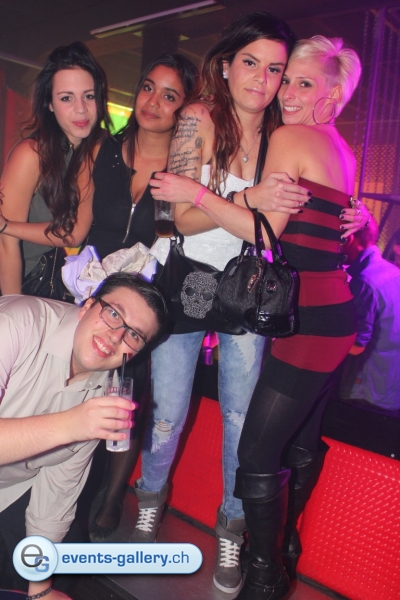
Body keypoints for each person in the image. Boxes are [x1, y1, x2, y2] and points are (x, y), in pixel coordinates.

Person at [150, 31, 364, 599]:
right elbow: (332, 230)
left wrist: (196, 192)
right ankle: (284, 547)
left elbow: (264, 233)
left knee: (254, 451)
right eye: (281, 77)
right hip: (328, 315)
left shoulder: (288, 136)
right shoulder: (342, 149)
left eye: (300, 82)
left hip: (306, 321)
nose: (284, 91)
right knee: (298, 445)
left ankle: (265, 577)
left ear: (332, 94)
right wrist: (359, 219)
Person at [131, 13, 311, 596]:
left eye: (275, 68)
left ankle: (232, 527)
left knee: (241, 418)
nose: (262, 78)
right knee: (167, 412)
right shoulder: (199, 119)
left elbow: (272, 228)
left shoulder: (283, 134)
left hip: (249, 287)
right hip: (187, 281)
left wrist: (344, 215)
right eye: (251, 62)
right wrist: (248, 196)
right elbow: (178, 219)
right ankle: (149, 502)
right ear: (227, 66)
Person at [0, 53, 200, 541]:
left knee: (123, 395)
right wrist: (14, 304)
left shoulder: (182, 165)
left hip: (141, 301)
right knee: (58, 387)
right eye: (148, 87)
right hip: (82, 294)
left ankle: (108, 499)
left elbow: (71, 229)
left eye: (169, 95)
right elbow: (68, 230)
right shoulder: (98, 151)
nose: (153, 101)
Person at [0, 272, 168, 600]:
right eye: (113, 313)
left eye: (133, 334)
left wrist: (40, 590)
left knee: (63, 563)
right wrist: (70, 425)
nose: (116, 336)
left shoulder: (105, 393)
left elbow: (57, 491)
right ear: (87, 306)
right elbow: (71, 427)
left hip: (11, 487)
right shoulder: (15, 323)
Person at [0, 41, 111, 298]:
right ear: (49, 104)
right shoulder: (31, 154)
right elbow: (5, 246)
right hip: (12, 282)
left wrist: (6, 226)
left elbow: (74, 232)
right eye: (66, 98)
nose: (81, 108)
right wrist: (12, 308)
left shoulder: (96, 151)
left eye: (89, 96)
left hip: (42, 282)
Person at [339, 216, 400, 410]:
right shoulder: (392, 272)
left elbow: (356, 346)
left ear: (349, 238)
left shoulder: (365, 282)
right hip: (388, 387)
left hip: (365, 391)